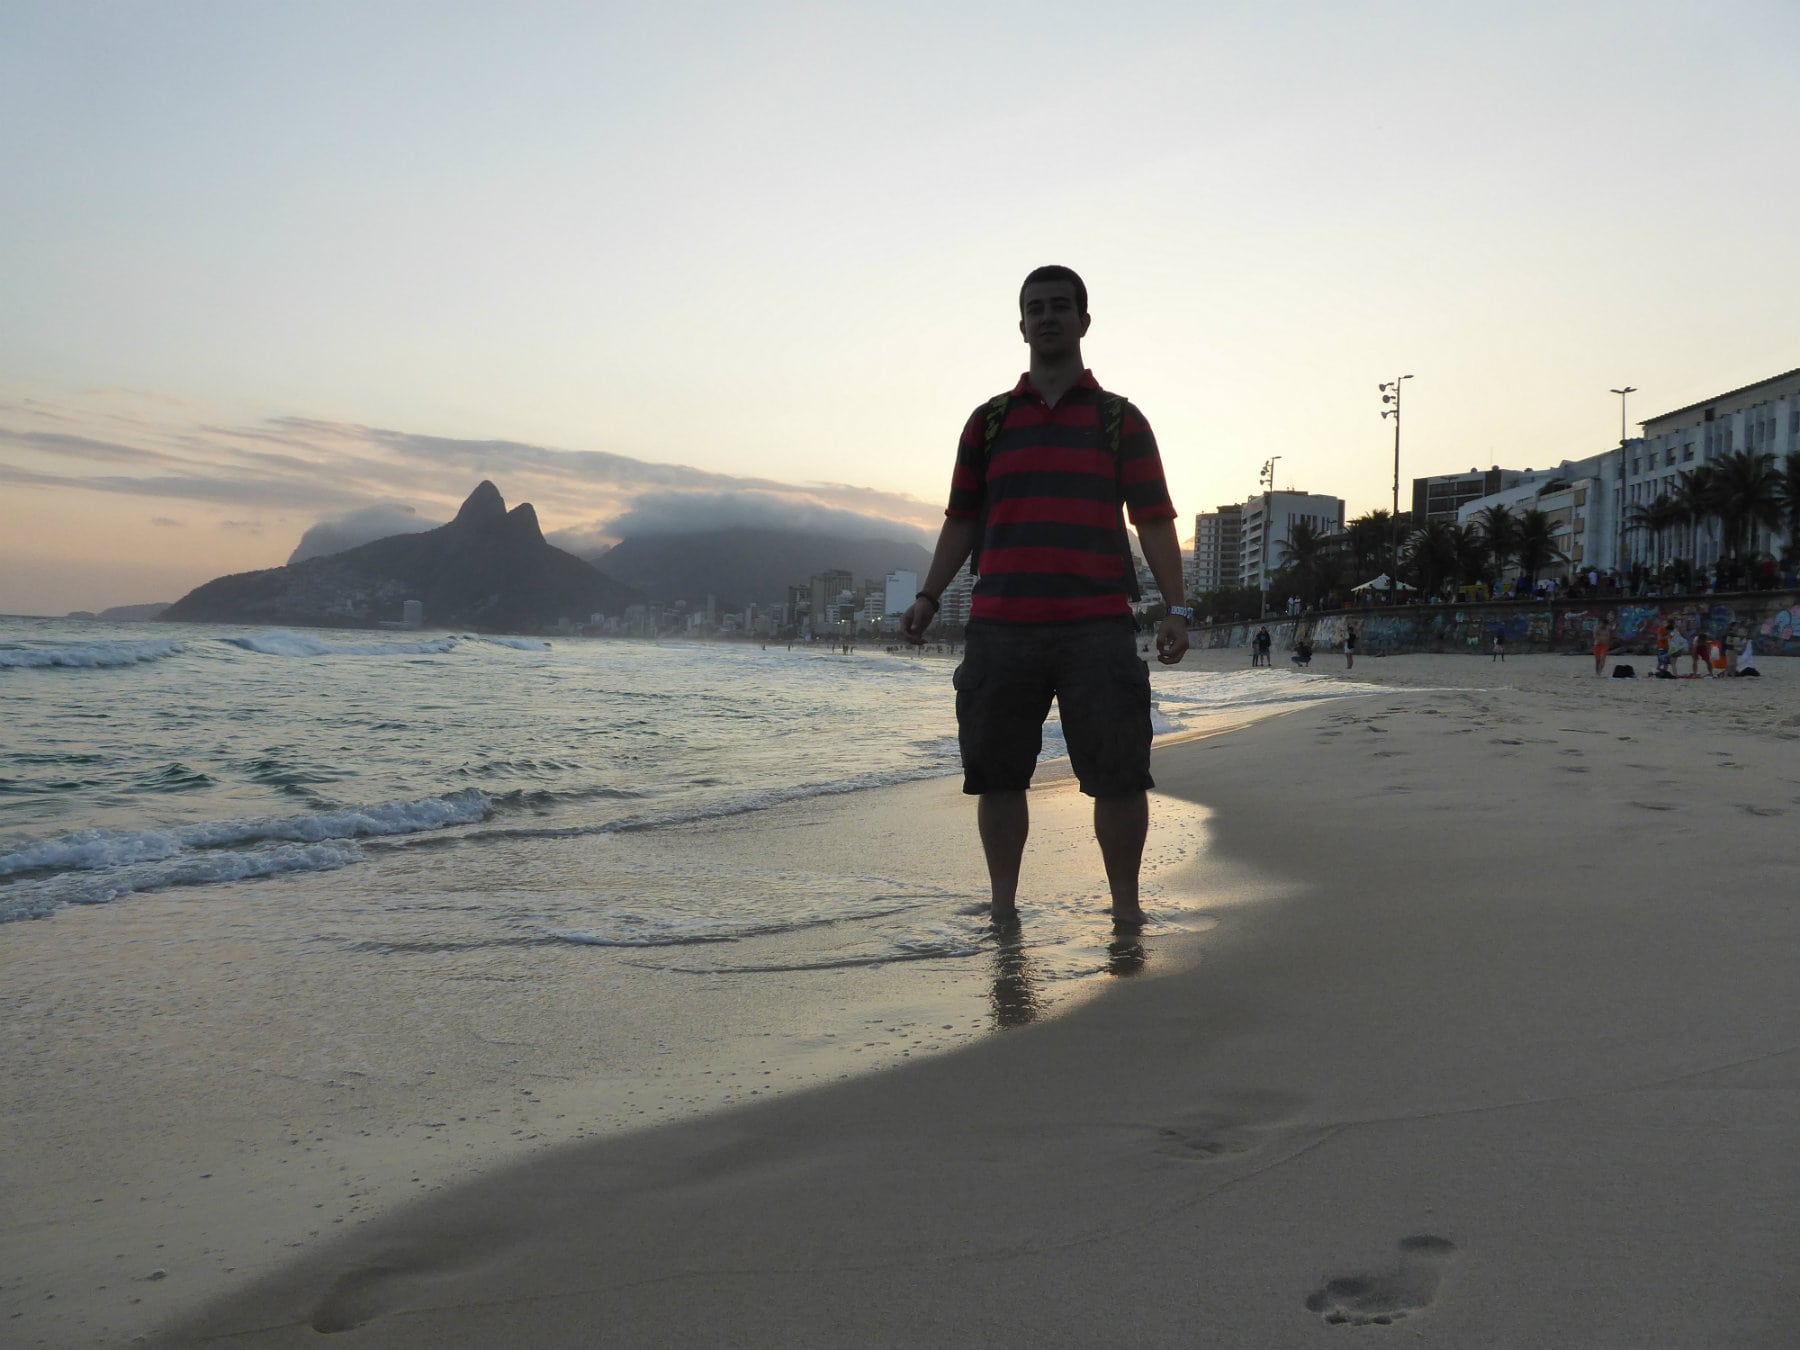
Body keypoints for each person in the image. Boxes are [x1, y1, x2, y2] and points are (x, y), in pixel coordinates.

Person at [901, 265, 1189, 931]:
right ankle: (1003, 911)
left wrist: (1177, 610)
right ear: (1022, 325)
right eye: (1036, 308)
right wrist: (927, 596)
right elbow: (961, 520)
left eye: (1061, 306)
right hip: (1001, 627)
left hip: (1098, 626)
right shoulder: (989, 423)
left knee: (1120, 775)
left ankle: (1126, 910)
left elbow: (1154, 520)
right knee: (998, 777)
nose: (1048, 317)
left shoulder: (1120, 420)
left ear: (1084, 321)